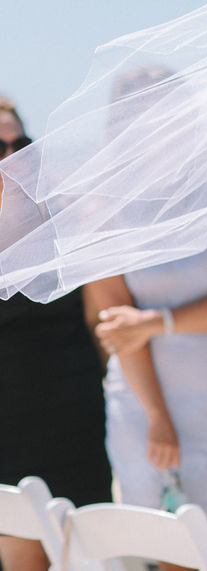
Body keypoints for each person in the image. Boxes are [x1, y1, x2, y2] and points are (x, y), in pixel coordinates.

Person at [84, 68, 207, 571]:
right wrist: (159, 417)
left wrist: (156, 322)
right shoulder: (103, 216)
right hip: (147, 408)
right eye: (147, 113)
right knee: (174, 562)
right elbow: (120, 332)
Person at [0, 101, 111, 571]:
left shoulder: (67, 218)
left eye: (19, 145)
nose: (10, 157)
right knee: (23, 558)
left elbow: (97, 318)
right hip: (7, 425)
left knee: (89, 554)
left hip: (79, 414)